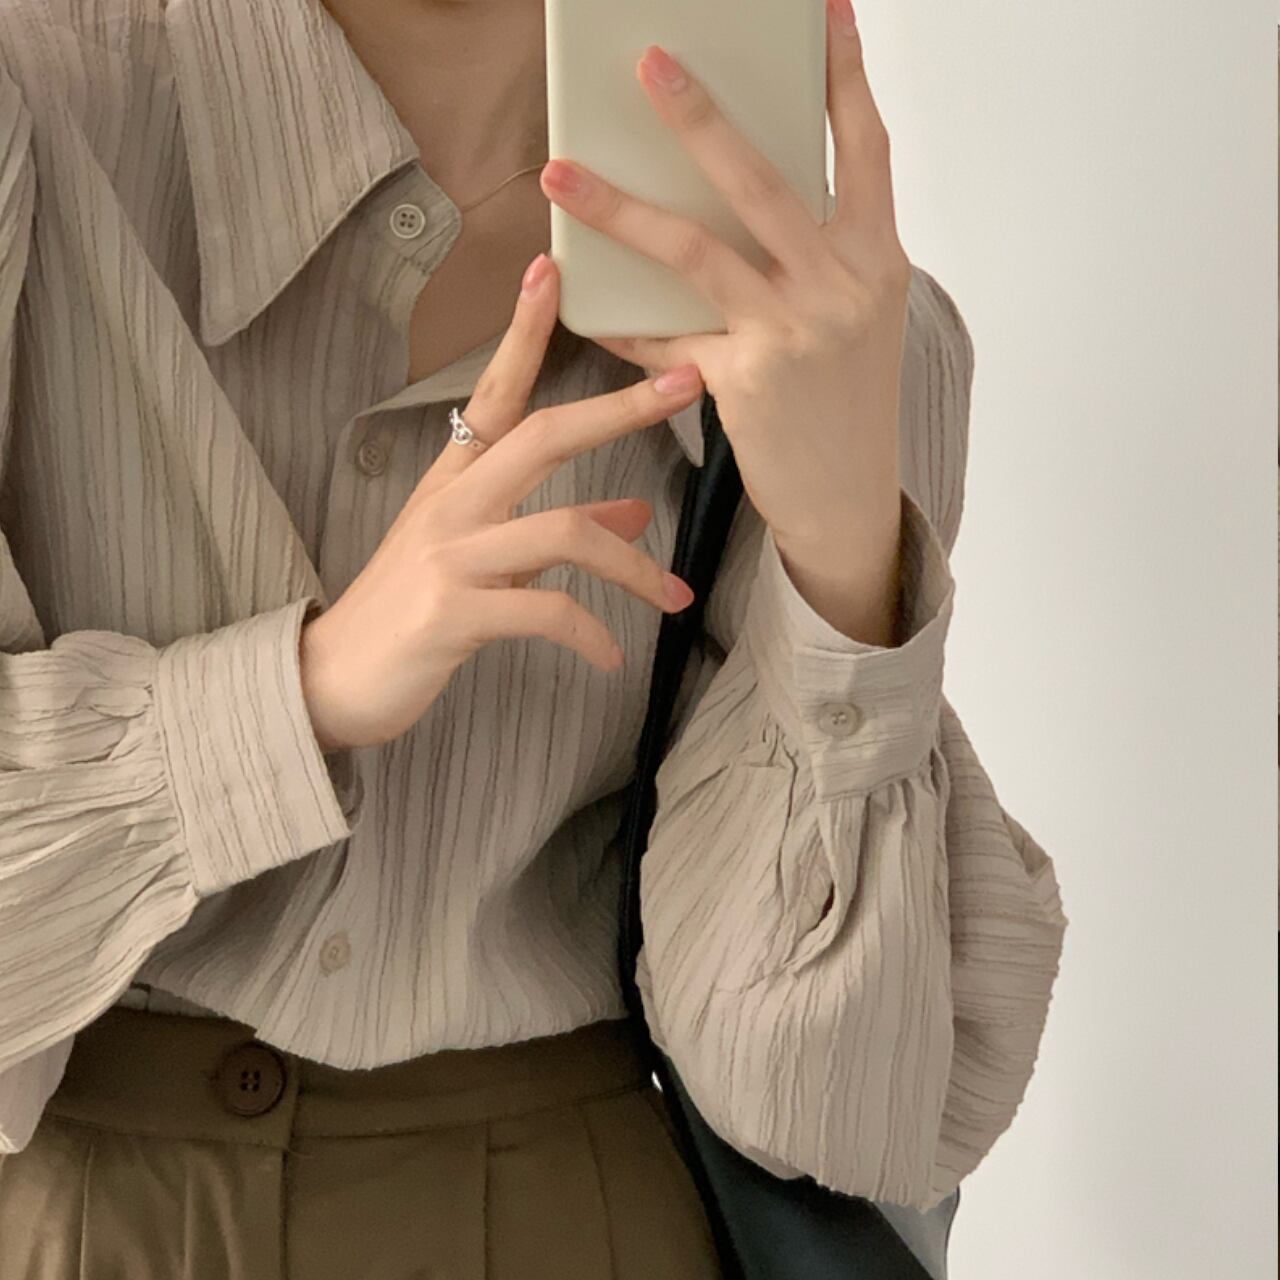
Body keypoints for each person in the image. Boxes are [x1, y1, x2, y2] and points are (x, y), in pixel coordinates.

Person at [0, 0, 1069, 1276]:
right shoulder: (40, 102)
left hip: (589, 1220)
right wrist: (293, 696)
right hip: (80, 1219)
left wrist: (841, 566)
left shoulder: (821, 331)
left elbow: (823, 1113)